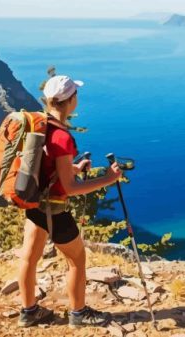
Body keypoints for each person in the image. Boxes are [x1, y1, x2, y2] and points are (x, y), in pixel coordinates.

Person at [17, 75, 122, 328]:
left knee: (28, 259)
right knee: (77, 259)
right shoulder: (63, 137)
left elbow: (45, 166)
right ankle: (79, 314)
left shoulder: (40, 127)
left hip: (34, 205)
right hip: (55, 209)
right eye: (76, 94)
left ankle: (28, 311)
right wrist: (108, 179)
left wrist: (72, 167)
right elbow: (70, 188)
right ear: (71, 100)